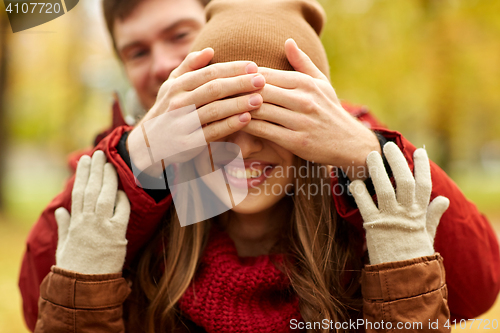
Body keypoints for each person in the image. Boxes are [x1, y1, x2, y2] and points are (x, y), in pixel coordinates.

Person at [19, 0, 500, 330]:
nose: (165, 65)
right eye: (137, 51)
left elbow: (473, 289)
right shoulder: (133, 170)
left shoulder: (327, 155)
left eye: (180, 37)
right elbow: (42, 302)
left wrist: (365, 151)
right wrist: (136, 159)